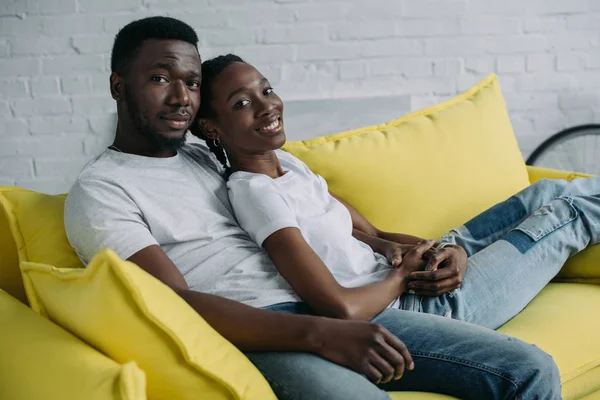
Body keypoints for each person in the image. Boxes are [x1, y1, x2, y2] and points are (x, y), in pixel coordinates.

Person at [65, 17, 561, 400]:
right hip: (264, 329)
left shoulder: (208, 155)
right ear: (118, 86)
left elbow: (308, 198)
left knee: (528, 369)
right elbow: (175, 303)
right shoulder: (103, 189)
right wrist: (320, 332)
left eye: (192, 83)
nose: (181, 98)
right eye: (159, 78)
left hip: (333, 304)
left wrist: (401, 245)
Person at [192, 54, 600, 331]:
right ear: (212, 128)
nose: (267, 107)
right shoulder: (254, 193)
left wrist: (435, 251)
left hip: (414, 275)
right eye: (242, 103)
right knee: (567, 216)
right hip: (421, 309)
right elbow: (339, 308)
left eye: (266, 90)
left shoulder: (290, 165)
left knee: (542, 191)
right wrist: (405, 274)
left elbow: (367, 232)